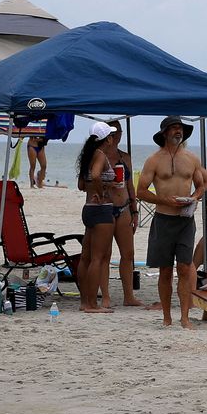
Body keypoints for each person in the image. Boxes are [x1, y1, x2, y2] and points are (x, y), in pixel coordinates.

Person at [137, 116, 207, 329]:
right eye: (174, 128)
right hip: (163, 219)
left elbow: (203, 183)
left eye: (180, 128)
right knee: (165, 270)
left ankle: (185, 317)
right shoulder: (153, 160)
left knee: (185, 267)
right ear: (164, 133)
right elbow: (140, 191)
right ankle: (167, 316)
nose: (178, 132)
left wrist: (195, 197)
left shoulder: (191, 158)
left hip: (185, 221)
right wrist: (164, 200)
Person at [77, 122, 120, 314]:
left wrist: (98, 187)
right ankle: (92, 304)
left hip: (88, 208)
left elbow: (81, 184)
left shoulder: (87, 156)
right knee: (98, 258)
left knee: (85, 257)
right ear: (107, 139)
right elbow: (95, 176)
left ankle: (84, 301)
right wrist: (103, 190)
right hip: (102, 209)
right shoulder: (101, 155)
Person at [99, 119, 141, 308]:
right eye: (113, 132)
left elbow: (130, 185)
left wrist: (134, 210)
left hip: (124, 207)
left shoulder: (125, 157)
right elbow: (87, 183)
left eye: (119, 132)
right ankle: (106, 296)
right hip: (105, 208)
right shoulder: (98, 156)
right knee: (104, 254)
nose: (117, 136)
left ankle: (128, 296)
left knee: (128, 254)